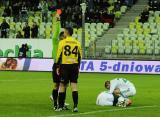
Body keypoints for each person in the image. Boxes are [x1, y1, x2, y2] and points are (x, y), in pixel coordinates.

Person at [56, 26, 82, 112]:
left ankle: (60, 106)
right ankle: (75, 107)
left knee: (62, 85)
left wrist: (57, 66)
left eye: (64, 31)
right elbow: (80, 57)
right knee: (74, 86)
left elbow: (58, 55)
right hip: (74, 66)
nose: (63, 33)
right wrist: (78, 67)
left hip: (65, 66)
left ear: (67, 32)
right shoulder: (77, 43)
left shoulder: (62, 42)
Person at [50, 13, 67, 111]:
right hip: (57, 65)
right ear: (60, 37)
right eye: (63, 37)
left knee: (64, 86)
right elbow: (56, 33)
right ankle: (55, 104)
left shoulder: (66, 44)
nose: (64, 38)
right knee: (56, 85)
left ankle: (62, 103)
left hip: (65, 66)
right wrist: (58, 21)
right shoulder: (56, 42)